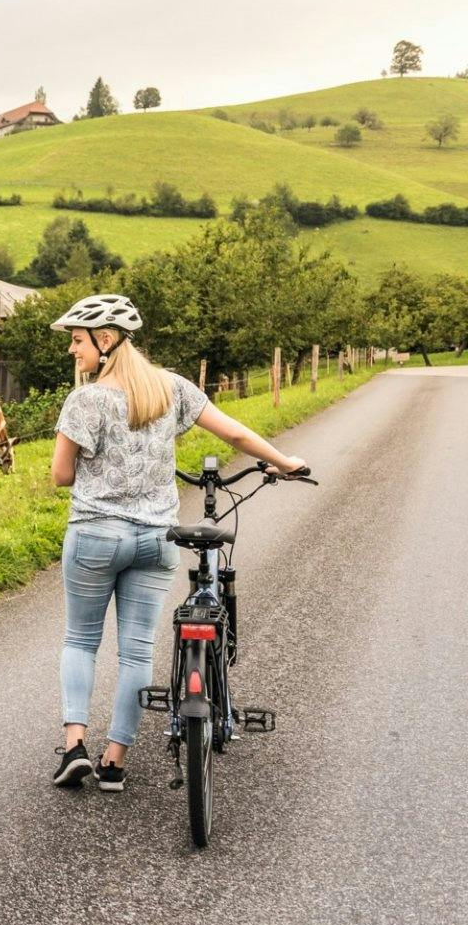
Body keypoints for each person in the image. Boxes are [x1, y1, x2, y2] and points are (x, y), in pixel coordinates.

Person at [46, 294, 307, 793]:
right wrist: (284, 461)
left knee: (81, 640)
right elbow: (232, 433)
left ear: (105, 340)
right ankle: (115, 761)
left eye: (77, 341)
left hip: (96, 534)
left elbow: (61, 474)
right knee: (137, 652)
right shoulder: (171, 389)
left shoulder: (86, 399)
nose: (72, 351)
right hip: (156, 538)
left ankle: (75, 745)